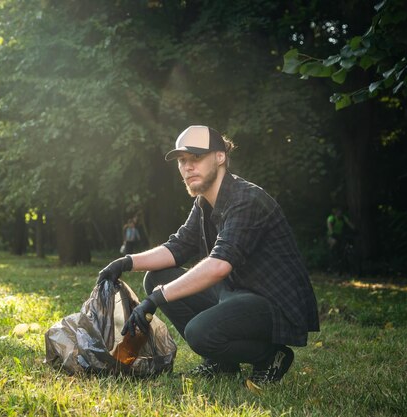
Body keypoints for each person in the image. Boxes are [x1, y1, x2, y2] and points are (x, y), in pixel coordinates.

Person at [97, 125, 319, 386]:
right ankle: (222, 362)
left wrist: (156, 298)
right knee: (157, 276)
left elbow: (219, 266)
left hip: (272, 304)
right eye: (182, 161)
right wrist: (125, 262)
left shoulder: (246, 199)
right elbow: (177, 247)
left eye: (196, 158)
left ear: (220, 156)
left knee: (199, 333)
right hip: (237, 293)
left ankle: (271, 355)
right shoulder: (203, 202)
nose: (188, 167)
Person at [326, 207, 355, 273]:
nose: (340, 213)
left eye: (340, 211)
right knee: (334, 244)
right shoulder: (331, 218)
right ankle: (331, 263)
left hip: (340, 235)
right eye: (338, 211)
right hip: (331, 235)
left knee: (344, 245)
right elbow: (329, 225)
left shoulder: (343, 218)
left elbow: (349, 224)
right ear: (335, 212)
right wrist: (332, 232)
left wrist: (354, 229)